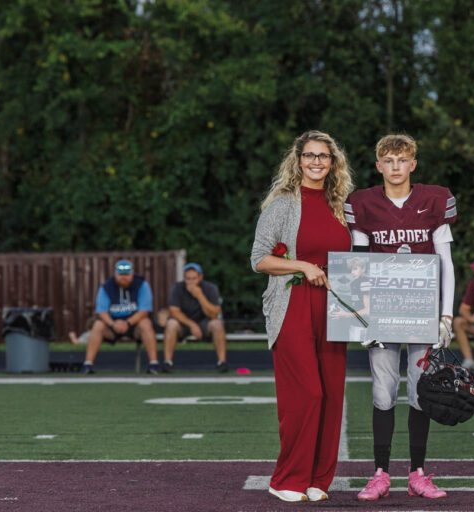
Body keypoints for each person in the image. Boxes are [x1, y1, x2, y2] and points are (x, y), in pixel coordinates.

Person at [345, 134, 457, 501]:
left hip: (422, 308)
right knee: (383, 391)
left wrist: (446, 314)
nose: (395, 167)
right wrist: (361, 318)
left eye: (402, 160)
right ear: (378, 166)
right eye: (388, 161)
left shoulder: (434, 199)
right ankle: (380, 474)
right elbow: (358, 264)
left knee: (421, 390)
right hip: (382, 309)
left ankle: (417, 474)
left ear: (413, 164)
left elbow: (446, 262)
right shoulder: (362, 203)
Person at [250, 130, 354, 503]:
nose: (316, 162)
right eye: (309, 155)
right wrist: (302, 265)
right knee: (307, 393)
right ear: (297, 160)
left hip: (335, 309)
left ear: (332, 162)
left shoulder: (343, 204)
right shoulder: (282, 204)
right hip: (293, 305)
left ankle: (317, 480)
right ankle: (286, 479)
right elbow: (259, 259)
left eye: (323, 156)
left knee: (331, 394)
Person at [82, 259, 159, 374]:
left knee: (146, 323)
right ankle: (88, 364)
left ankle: (154, 364)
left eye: (126, 274)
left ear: (132, 273)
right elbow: (102, 312)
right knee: (98, 325)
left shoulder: (142, 285)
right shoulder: (106, 287)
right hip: (112, 324)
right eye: (121, 274)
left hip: (134, 324)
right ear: (115, 274)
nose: (124, 277)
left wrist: (128, 323)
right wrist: (113, 324)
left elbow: (144, 310)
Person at [162, 263, 228, 373]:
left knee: (217, 324)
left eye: (194, 278)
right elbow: (174, 312)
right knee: (171, 324)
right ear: (184, 278)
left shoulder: (210, 288)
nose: (191, 282)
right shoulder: (177, 288)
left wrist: (200, 296)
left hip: (204, 322)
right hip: (184, 323)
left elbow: (214, 314)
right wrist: (192, 324)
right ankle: (167, 363)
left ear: (200, 277)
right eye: (188, 279)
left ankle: (222, 362)